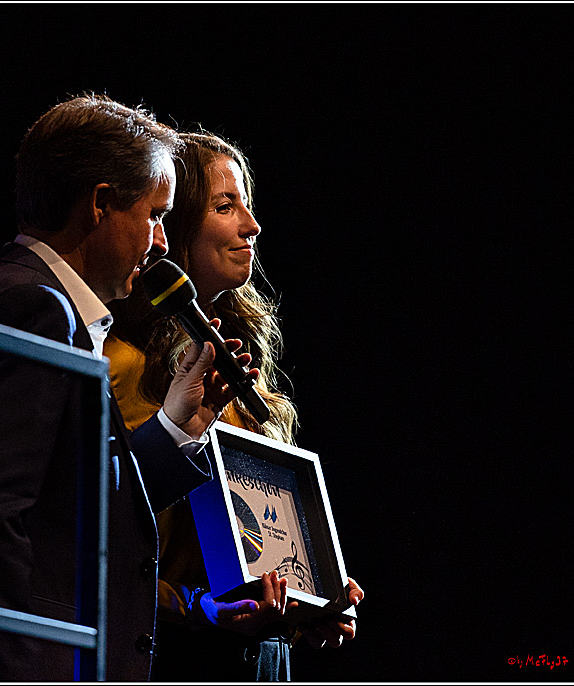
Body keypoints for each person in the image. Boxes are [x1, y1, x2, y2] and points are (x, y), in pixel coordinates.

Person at [0, 94, 256, 681]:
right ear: (99, 205)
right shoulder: (31, 307)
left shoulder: (31, 299)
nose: (162, 243)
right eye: (155, 215)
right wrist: (17, 670)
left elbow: (74, 505)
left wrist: (177, 427)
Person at [106, 131, 364, 680]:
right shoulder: (119, 366)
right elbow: (104, 542)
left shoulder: (243, 377)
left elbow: (255, 551)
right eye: (226, 206)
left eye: (246, 203)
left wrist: (308, 604)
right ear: (171, 227)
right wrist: (202, 607)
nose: (252, 224)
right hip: (172, 657)